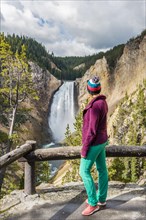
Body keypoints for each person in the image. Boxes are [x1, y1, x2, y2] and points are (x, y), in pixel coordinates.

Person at [79, 76, 109, 216]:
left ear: (88, 90)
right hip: (102, 141)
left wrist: (84, 149)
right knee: (102, 169)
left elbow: (91, 131)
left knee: (84, 171)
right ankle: (101, 199)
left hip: (95, 143)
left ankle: (92, 203)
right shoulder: (103, 102)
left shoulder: (93, 107)